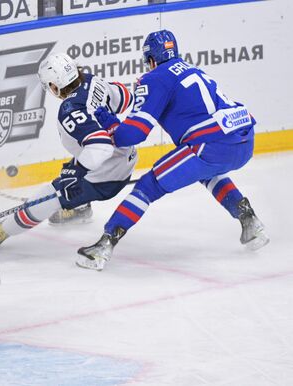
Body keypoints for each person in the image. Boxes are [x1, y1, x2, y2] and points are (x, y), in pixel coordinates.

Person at [78, 30, 269, 271]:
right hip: (244, 140)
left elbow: (134, 134)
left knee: (148, 186)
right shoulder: (193, 69)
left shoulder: (155, 78)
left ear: (150, 60)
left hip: (210, 144)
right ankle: (249, 219)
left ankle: (104, 245)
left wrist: (110, 124)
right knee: (205, 171)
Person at [0, 53, 137, 253]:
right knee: (75, 163)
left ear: (55, 86)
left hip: (106, 178)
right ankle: (80, 208)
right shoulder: (92, 81)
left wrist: (77, 171)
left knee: (43, 201)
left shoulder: (69, 110)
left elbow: (101, 147)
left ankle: (0, 232)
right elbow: (125, 98)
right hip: (126, 158)